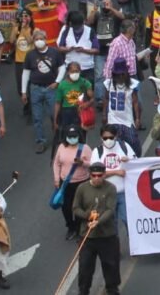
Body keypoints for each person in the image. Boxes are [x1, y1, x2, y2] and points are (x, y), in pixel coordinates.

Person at [72, 162, 120, 295]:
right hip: (88, 236)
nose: (97, 178)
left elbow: (110, 210)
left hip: (107, 235)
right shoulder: (82, 188)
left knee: (111, 265)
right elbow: (75, 208)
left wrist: (98, 222)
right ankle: (84, 290)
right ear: (90, 175)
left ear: (104, 175)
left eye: (100, 175)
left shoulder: (110, 188)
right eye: (94, 175)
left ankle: (112, 289)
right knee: (85, 268)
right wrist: (88, 217)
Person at [53, 124, 92, 240]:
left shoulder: (85, 148)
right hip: (65, 183)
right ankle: (71, 226)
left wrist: (83, 163)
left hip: (82, 182)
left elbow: (94, 163)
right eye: (70, 136)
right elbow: (56, 164)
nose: (72, 138)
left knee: (80, 207)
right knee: (66, 207)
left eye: (74, 136)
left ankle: (80, 228)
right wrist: (56, 178)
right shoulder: (61, 147)